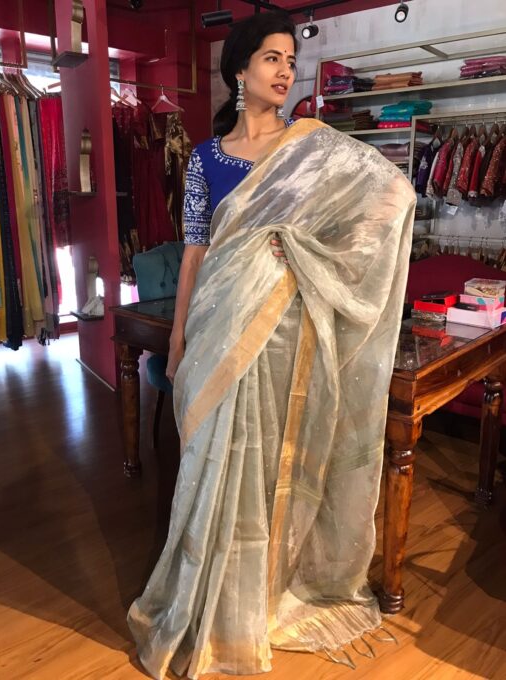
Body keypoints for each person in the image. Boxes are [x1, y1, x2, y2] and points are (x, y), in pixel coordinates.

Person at [128, 11, 416, 680]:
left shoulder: (311, 147)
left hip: (289, 329)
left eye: (291, 59)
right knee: (216, 462)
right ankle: (212, 601)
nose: (286, 71)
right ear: (239, 69)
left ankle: (259, 596)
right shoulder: (205, 159)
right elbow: (196, 251)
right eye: (272, 59)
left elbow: (392, 196)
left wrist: (308, 249)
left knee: (270, 465)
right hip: (220, 325)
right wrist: (179, 337)